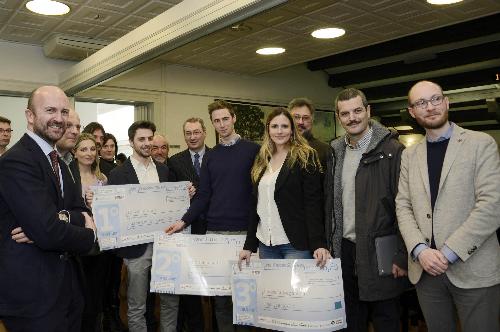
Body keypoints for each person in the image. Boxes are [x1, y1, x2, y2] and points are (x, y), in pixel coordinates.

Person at [396, 80, 500, 332]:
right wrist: (420, 250)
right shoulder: (410, 155)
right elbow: (403, 205)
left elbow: (492, 205)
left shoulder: (480, 143)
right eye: (421, 103)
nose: (429, 107)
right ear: (412, 111)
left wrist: (448, 252)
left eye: (435, 99)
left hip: (473, 268)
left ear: (446, 102)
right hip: (425, 271)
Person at [0, 85, 96, 331]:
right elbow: (47, 231)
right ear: (30, 116)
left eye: (64, 112)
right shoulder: (16, 161)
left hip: (67, 288)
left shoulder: (59, 164)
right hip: (33, 297)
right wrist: (89, 234)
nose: (59, 119)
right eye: (50, 110)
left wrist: (61, 217)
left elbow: (80, 212)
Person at [166, 100, 260, 332]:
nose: (222, 124)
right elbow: (204, 195)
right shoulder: (211, 156)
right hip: (215, 233)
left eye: (225, 119)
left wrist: (252, 236)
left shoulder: (253, 150)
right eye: (216, 120)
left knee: (245, 300)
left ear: (234, 118)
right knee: (220, 301)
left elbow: (258, 195)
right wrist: (183, 221)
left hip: (244, 234)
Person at [325, 88, 409, 332]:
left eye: (357, 111)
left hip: (381, 250)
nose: (352, 118)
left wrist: (402, 254)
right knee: (351, 321)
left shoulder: (392, 151)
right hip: (345, 250)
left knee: (386, 320)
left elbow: (404, 205)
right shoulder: (335, 151)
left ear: (368, 111)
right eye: (345, 113)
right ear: (338, 118)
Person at [108, 121, 193, 332]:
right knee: (137, 305)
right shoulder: (118, 174)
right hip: (136, 248)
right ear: (131, 142)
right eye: (141, 139)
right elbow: (112, 211)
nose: (147, 143)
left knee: (170, 302)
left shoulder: (165, 171)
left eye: (149, 138)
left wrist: (185, 195)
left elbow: (172, 205)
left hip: (166, 244)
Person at [239, 107, 329, 269]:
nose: (279, 131)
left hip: (295, 244)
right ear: (268, 129)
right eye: (274, 126)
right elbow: (255, 205)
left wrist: (318, 243)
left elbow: (313, 203)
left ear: (292, 130)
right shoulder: (262, 158)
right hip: (266, 244)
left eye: (285, 126)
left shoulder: (305, 156)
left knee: (297, 294)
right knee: (273, 294)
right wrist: (249, 245)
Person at [168, 117, 211, 332]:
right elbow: (169, 197)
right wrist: (182, 195)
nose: (192, 137)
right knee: (190, 286)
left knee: (215, 285)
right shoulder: (175, 161)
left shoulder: (217, 156)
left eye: (196, 132)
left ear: (205, 132)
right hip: (187, 230)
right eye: (188, 133)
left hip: (213, 228)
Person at [73, 133, 109, 332]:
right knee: (80, 294)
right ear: (75, 152)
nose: (89, 153)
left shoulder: (102, 178)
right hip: (77, 245)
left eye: (92, 149)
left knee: (96, 294)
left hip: (100, 244)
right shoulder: (69, 178)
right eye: (83, 149)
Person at [288, 97, 329, 168]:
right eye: (296, 117)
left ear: (312, 120)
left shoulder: (325, 150)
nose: (300, 122)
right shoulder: (280, 147)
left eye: (306, 118)